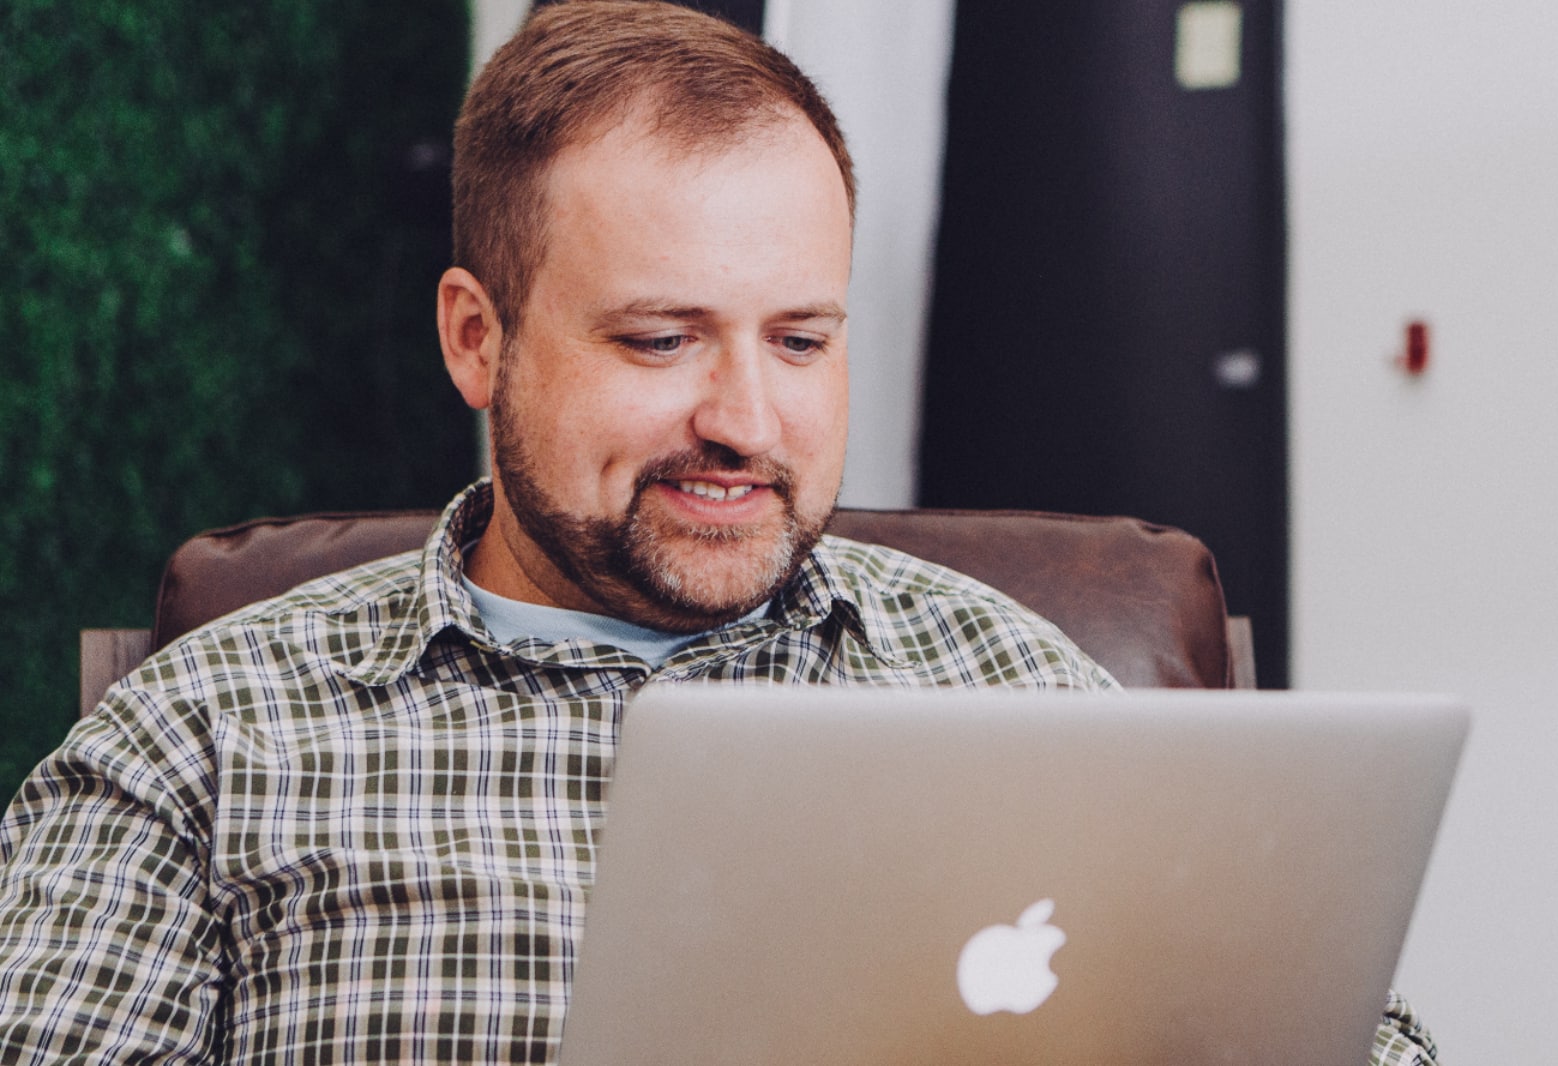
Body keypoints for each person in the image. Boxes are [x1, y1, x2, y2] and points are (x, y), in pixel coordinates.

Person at [0, 3, 1435, 1063]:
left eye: (801, 338)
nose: (746, 416)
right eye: (662, 337)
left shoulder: (1021, 682)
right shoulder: (204, 735)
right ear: (475, 337)